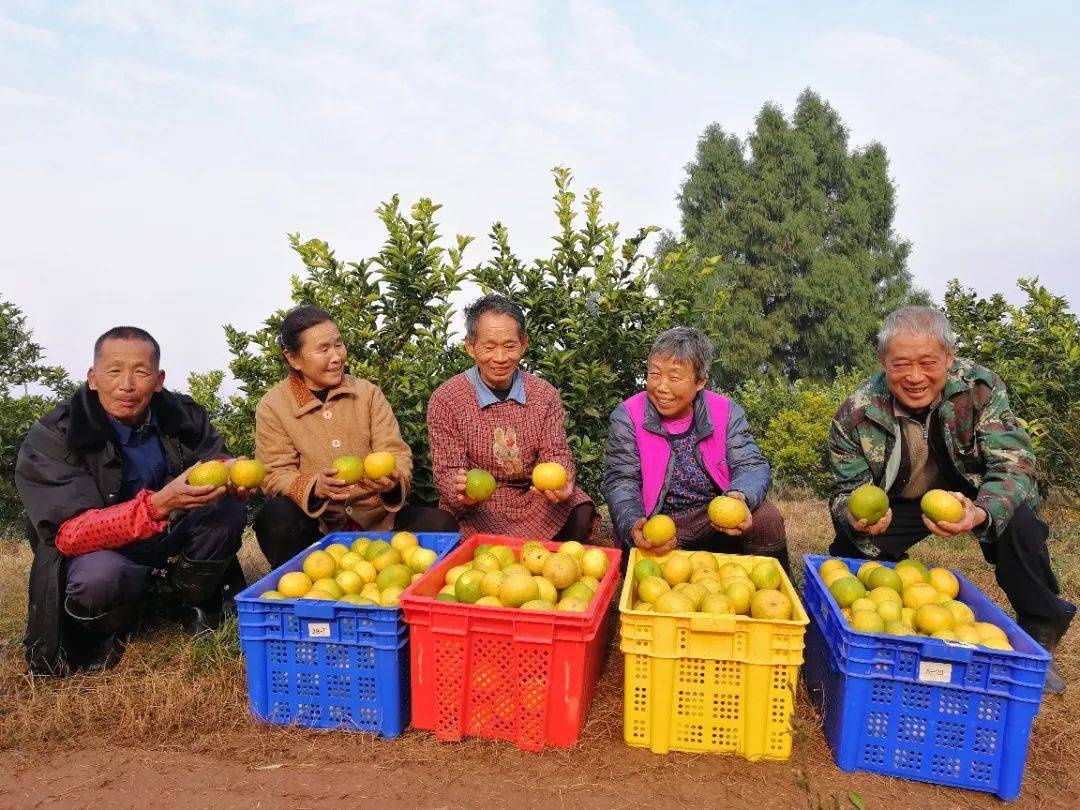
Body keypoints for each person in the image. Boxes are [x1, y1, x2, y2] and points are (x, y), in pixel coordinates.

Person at [828, 306, 1075, 694]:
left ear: (948, 355)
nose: (914, 377)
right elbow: (848, 491)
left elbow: (1014, 465)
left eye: (928, 362)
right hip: (898, 502)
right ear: (882, 361)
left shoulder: (979, 389)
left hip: (974, 492)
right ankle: (883, 633)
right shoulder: (856, 412)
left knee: (1018, 522)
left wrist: (981, 511)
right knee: (851, 551)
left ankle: (1041, 627)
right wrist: (855, 518)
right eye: (901, 364)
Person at [15, 327, 248, 675]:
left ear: (158, 379)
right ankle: (106, 624)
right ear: (93, 378)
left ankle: (187, 599)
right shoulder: (56, 435)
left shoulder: (182, 416)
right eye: (114, 371)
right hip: (99, 551)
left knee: (227, 509)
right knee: (102, 575)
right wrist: (158, 505)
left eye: (140, 372)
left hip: (165, 533)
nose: (126, 384)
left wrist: (234, 475)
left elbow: (217, 463)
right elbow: (71, 534)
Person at [253, 305, 456, 568]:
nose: (336, 356)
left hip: (380, 521)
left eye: (338, 345)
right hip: (318, 525)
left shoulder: (368, 394)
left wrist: (392, 481)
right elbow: (274, 472)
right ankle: (302, 592)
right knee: (275, 516)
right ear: (293, 359)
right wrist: (314, 487)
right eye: (323, 349)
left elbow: (395, 453)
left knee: (441, 525)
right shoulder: (274, 406)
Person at [603, 327, 790, 572]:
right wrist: (632, 524)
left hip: (712, 516)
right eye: (655, 374)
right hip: (661, 520)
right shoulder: (628, 416)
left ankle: (773, 593)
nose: (661, 387)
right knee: (660, 577)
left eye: (675, 378)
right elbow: (621, 480)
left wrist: (739, 496)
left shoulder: (725, 411)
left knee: (767, 518)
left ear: (700, 381)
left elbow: (750, 464)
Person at [427, 294, 595, 540]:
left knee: (581, 512)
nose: (500, 358)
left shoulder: (543, 394)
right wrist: (459, 489)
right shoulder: (447, 399)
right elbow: (448, 468)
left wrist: (562, 479)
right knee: (442, 525)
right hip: (479, 504)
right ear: (470, 347)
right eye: (488, 347)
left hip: (533, 498)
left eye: (509, 346)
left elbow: (555, 452)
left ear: (523, 344)